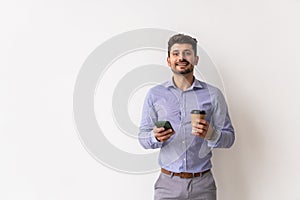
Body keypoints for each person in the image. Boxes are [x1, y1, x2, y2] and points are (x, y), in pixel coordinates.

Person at [138, 33, 235, 200]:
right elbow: (142, 137)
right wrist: (155, 136)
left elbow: (230, 138)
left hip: (203, 185)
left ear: (196, 59)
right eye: (176, 53)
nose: (181, 58)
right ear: (169, 60)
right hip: (167, 185)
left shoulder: (213, 94)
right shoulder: (155, 94)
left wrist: (212, 134)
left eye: (187, 53)